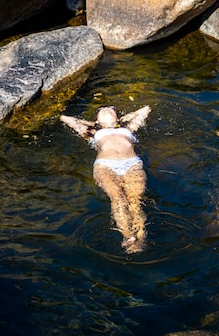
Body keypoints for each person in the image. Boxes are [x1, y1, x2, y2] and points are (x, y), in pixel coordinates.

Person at [60, 105, 151, 253]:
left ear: (117, 117)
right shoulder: (92, 132)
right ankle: (128, 236)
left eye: (110, 108)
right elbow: (65, 118)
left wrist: (125, 119)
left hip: (132, 164)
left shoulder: (128, 128)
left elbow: (146, 109)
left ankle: (141, 237)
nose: (107, 108)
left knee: (135, 201)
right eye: (103, 109)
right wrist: (92, 124)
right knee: (118, 198)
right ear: (97, 119)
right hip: (105, 165)